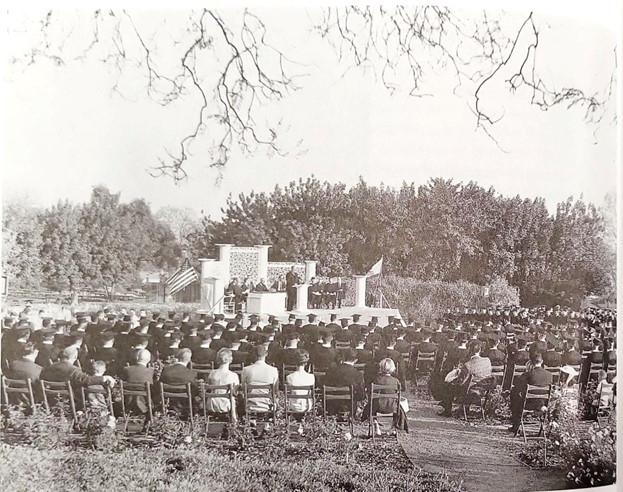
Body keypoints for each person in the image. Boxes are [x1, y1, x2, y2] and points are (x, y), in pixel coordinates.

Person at [438, 341, 492, 417]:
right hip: (483, 390)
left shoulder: (468, 365)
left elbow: (461, 382)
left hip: (469, 392)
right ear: (480, 350)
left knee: (449, 385)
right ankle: (464, 409)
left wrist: (451, 380)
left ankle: (447, 410)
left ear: (470, 350)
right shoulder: (487, 361)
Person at [508, 353, 553, 433]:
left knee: (514, 395)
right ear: (542, 361)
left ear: (531, 363)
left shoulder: (528, 374)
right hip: (544, 402)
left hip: (529, 404)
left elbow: (519, 388)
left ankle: (516, 425)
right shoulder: (549, 375)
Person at [41, 346, 116, 388]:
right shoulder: (73, 370)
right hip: (70, 400)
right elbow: (86, 380)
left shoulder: (51, 367)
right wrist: (104, 378)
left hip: (51, 398)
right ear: (75, 356)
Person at [324, 348, 364, 415]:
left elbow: (325, 386)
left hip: (332, 405)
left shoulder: (331, 370)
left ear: (343, 358)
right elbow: (361, 395)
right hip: (349, 406)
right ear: (356, 360)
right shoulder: (358, 374)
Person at [241, 345, 279, 414]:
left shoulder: (246, 369)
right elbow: (275, 391)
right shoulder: (273, 370)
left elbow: (244, 389)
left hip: (250, 403)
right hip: (267, 404)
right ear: (266, 354)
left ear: (253, 355)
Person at [205, 348, 240, 417]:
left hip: (212, 403)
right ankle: (234, 418)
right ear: (230, 359)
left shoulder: (212, 373)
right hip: (225, 404)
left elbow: (208, 387)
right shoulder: (233, 375)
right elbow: (235, 393)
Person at [120, 349, 155, 415]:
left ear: (137, 358)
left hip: (129, 400)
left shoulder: (127, 370)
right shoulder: (151, 371)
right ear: (149, 359)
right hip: (146, 400)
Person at [285, 349, 315, 414]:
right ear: (306, 363)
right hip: (307, 406)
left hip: (294, 406)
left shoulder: (289, 377)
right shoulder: (311, 377)